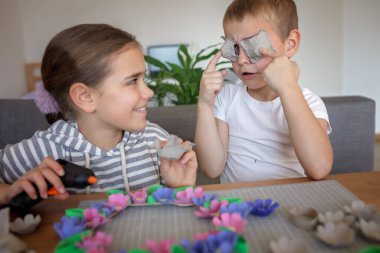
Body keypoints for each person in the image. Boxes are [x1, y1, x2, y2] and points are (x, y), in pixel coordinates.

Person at [0, 24, 197, 205]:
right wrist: (7, 193)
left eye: (143, 78)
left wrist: (180, 189)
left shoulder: (155, 140)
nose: (149, 92)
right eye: (132, 81)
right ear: (85, 97)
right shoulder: (43, 150)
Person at [195, 0, 333, 183]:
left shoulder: (309, 103)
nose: (242, 59)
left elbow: (319, 168)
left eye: (253, 47)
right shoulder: (226, 98)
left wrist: (288, 87)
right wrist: (204, 105)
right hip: (238, 205)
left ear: (290, 44)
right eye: (234, 48)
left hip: (291, 203)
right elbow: (211, 168)